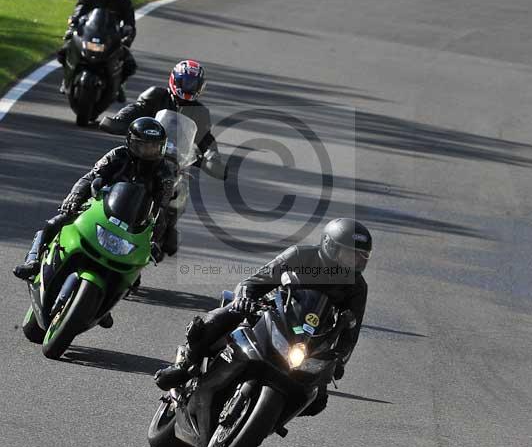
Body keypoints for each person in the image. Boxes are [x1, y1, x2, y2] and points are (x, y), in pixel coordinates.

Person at [154, 217, 372, 415]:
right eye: (349, 256)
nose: (354, 263)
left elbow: (351, 331)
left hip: (310, 337)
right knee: (226, 315)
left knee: (318, 400)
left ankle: (272, 416)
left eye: (360, 259)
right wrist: (245, 299)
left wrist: (340, 359)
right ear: (330, 247)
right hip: (273, 312)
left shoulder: (357, 287)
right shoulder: (300, 255)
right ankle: (184, 365)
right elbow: (253, 282)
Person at [13, 119, 175, 321]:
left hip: (134, 223)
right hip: (99, 206)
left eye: (153, 147)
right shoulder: (118, 155)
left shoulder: (165, 172)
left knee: (134, 274)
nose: (148, 151)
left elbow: (162, 207)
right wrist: (73, 197)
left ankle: (102, 304)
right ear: (131, 142)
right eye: (143, 145)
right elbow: (91, 177)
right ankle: (33, 261)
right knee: (56, 221)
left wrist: (154, 239)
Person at [100, 60, 226, 179]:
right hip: (145, 149)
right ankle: (84, 194)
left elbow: (205, 138)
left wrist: (213, 157)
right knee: (110, 165)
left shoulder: (200, 111)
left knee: (181, 187)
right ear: (175, 80)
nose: (189, 87)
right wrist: (120, 120)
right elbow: (135, 109)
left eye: (193, 84)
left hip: (175, 159)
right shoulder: (156, 95)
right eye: (186, 82)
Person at [57, 0, 137, 100]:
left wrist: (128, 34)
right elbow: (79, 11)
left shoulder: (123, 0)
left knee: (130, 64)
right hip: (88, 35)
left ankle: (120, 86)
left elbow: (130, 22)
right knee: (63, 51)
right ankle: (67, 78)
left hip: (110, 39)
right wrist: (73, 24)